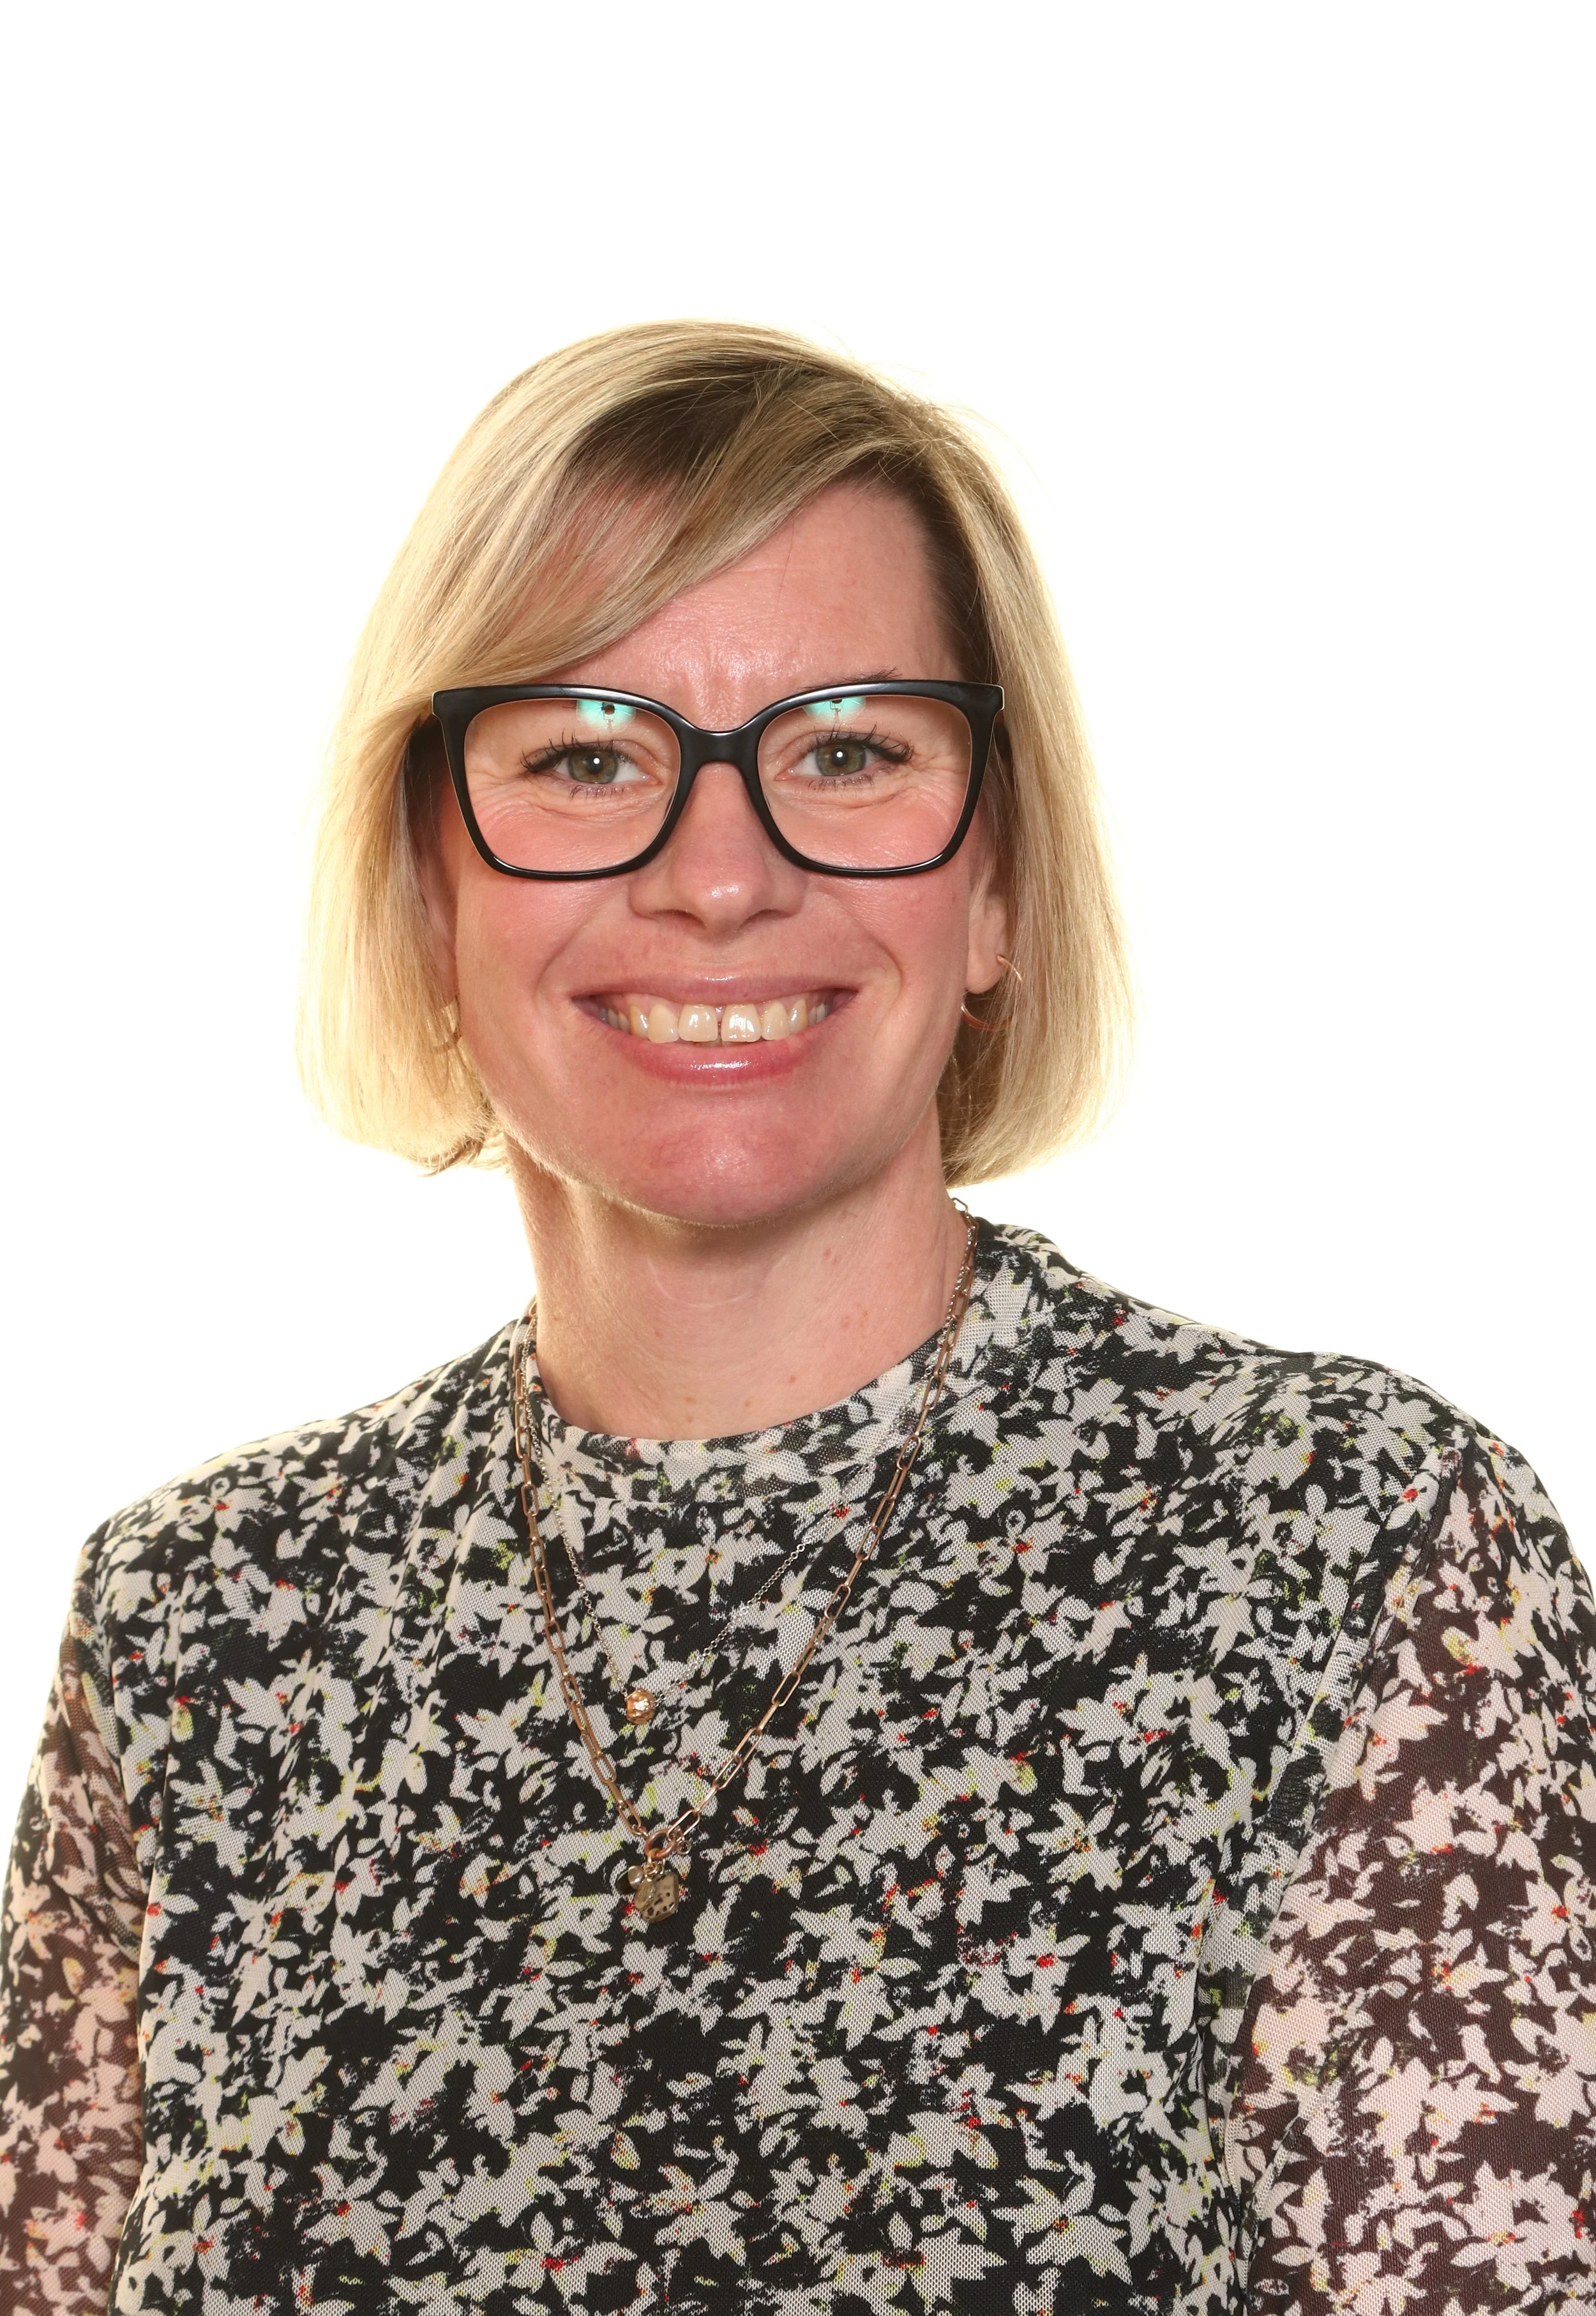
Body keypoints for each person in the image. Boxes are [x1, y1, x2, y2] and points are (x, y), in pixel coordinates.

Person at [2, 322, 1591, 2316]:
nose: (717, 875)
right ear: (426, 883)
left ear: (996, 873)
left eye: (846, 749)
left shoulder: (1347, 1544)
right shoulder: (198, 1622)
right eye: (585, 756)